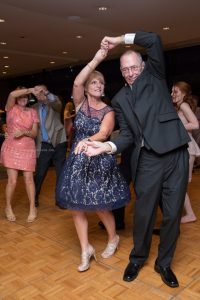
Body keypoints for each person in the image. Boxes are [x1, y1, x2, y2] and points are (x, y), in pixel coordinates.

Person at [84, 31, 190, 288]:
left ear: (143, 66)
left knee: (173, 214)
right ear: (120, 72)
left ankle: (164, 263)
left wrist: (118, 41)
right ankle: (138, 257)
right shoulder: (120, 99)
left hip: (175, 154)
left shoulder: (154, 75)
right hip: (148, 160)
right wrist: (107, 146)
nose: (130, 73)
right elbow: (129, 135)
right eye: (125, 69)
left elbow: (153, 39)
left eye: (134, 67)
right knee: (143, 214)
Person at [56, 48, 130, 272]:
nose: (99, 86)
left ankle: (113, 237)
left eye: (101, 83)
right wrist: (98, 58)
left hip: (98, 162)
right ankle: (85, 248)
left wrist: (87, 139)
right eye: (94, 83)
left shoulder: (108, 110)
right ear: (87, 88)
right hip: (77, 164)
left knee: (100, 207)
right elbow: (78, 81)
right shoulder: (80, 104)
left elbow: (105, 133)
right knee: (77, 208)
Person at [0, 87, 39, 222]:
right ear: (17, 98)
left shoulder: (33, 112)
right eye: (21, 96)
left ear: (28, 99)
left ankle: (32, 208)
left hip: (28, 147)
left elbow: (34, 133)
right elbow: (11, 93)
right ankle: (8, 207)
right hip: (11, 147)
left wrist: (24, 132)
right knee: (13, 180)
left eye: (26, 96)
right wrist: (31, 89)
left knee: (29, 179)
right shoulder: (10, 108)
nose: (23, 98)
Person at [33, 85, 67, 208]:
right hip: (44, 145)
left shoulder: (54, 104)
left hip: (59, 143)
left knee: (60, 173)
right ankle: (34, 197)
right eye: (38, 92)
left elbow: (56, 102)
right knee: (40, 173)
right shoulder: (33, 108)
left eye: (42, 92)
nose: (40, 94)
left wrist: (46, 93)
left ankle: (60, 200)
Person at [171, 81, 200, 223]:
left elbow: (195, 124)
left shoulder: (183, 105)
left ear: (184, 93)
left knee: (180, 184)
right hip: (184, 148)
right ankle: (187, 213)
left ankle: (190, 214)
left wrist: (177, 126)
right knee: (179, 184)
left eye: (175, 92)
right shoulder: (178, 107)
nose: (172, 94)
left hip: (188, 149)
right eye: (172, 91)